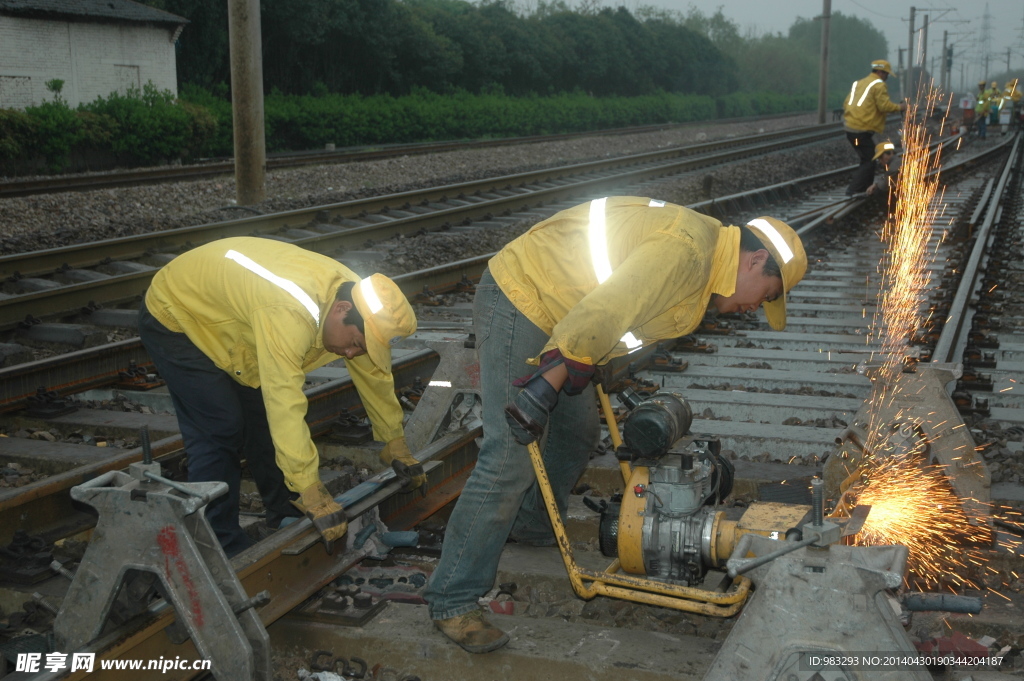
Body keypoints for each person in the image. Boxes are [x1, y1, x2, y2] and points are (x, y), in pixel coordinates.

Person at [422, 197, 808, 653]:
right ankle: (453, 599)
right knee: (510, 454)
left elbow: (625, 311)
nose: (753, 308)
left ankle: (531, 527)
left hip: (568, 313)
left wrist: (602, 361)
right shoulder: (687, 251)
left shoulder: (703, 267)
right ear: (756, 259)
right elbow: (605, 310)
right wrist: (545, 387)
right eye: (764, 296)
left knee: (576, 432)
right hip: (526, 296)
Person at [139, 236, 421, 557]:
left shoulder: (362, 303)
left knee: (261, 423)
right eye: (355, 342)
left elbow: (375, 372)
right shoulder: (290, 311)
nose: (352, 353)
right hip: (178, 313)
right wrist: (311, 489)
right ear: (342, 309)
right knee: (219, 428)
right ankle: (217, 545)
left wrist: (394, 441)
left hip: (233, 320)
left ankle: (283, 514)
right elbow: (284, 401)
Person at [843, 59, 907, 195]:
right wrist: (900, 107)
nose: (887, 77)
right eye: (886, 74)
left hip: (851, 128)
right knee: (869, 160)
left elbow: (846, 103)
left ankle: (865, 189)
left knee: (868, 158)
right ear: (880, 72)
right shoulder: (878, 85)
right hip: (862, 129)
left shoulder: (860, 83)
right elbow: (884, 106)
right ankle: (853, 190)